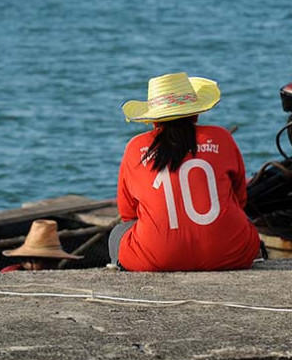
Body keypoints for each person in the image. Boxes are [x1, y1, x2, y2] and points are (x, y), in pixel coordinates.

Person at [109, 72, 260, 272]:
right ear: (196, 113)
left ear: (153, 120)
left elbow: (128, 214)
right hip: (231, 254)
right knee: (244, 221)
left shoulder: (136, 147)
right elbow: (240, 199)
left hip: (156, 258)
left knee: (117, 233)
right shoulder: (222, 137)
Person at [1, 218, 83, 272]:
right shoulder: (9, 273)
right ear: (32, 262)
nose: (55, 267)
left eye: (56, 261)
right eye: (50, 262)